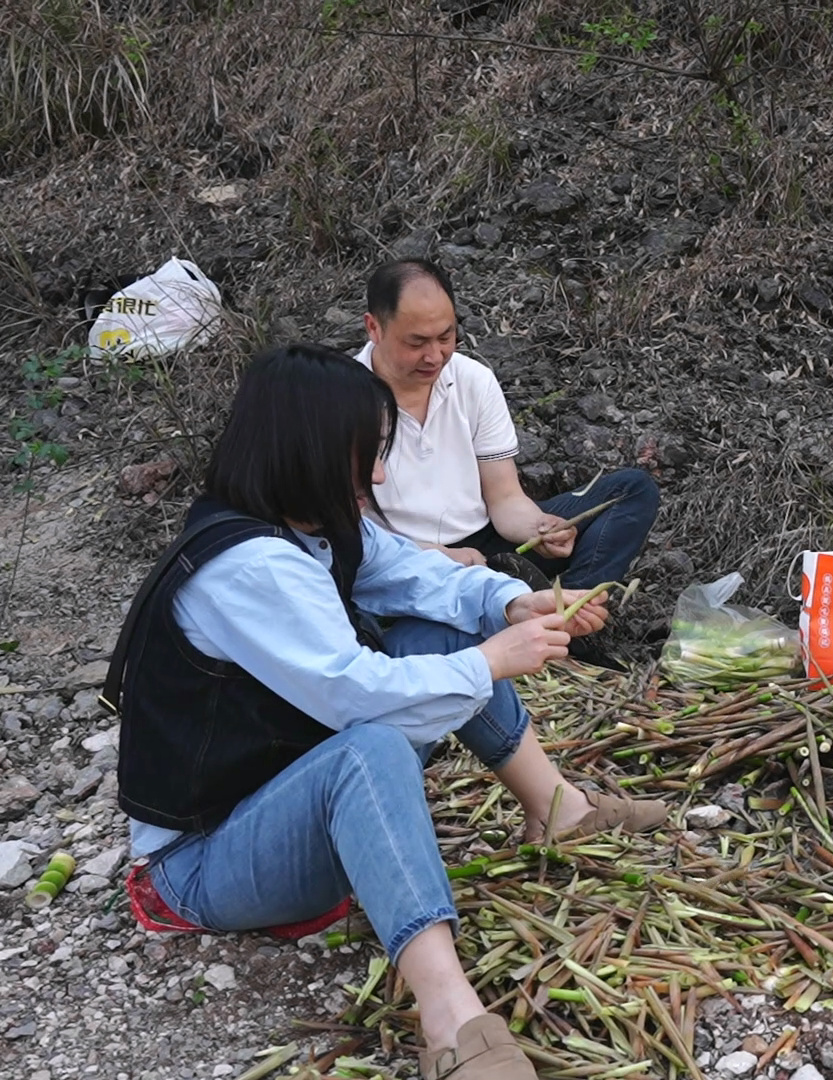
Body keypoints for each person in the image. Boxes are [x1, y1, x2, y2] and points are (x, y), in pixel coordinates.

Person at [106, 345, 669, 1080]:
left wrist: (509, 601)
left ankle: (559, 807)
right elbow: (355, 694)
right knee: (369, 746)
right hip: (202, 861)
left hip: (285, 798)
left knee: (443, 631)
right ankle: (452, 1020)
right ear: (307, 449)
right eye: (365, 456)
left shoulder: (315, 522)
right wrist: (494, 659)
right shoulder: (246, 566)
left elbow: (417, 577)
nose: (376, 476)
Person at [355, 259, 661, 663]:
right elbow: (345, 530)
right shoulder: (344, 397)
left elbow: (502, 497)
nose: (435, 355)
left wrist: (539, 526)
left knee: (631, 491)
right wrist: (433, 553)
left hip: (487, 548)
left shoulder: (472, 380)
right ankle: (523, 620)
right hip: (399, 561)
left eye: (446, 336)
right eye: (416, 343)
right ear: (374, 328)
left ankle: (566, 618)